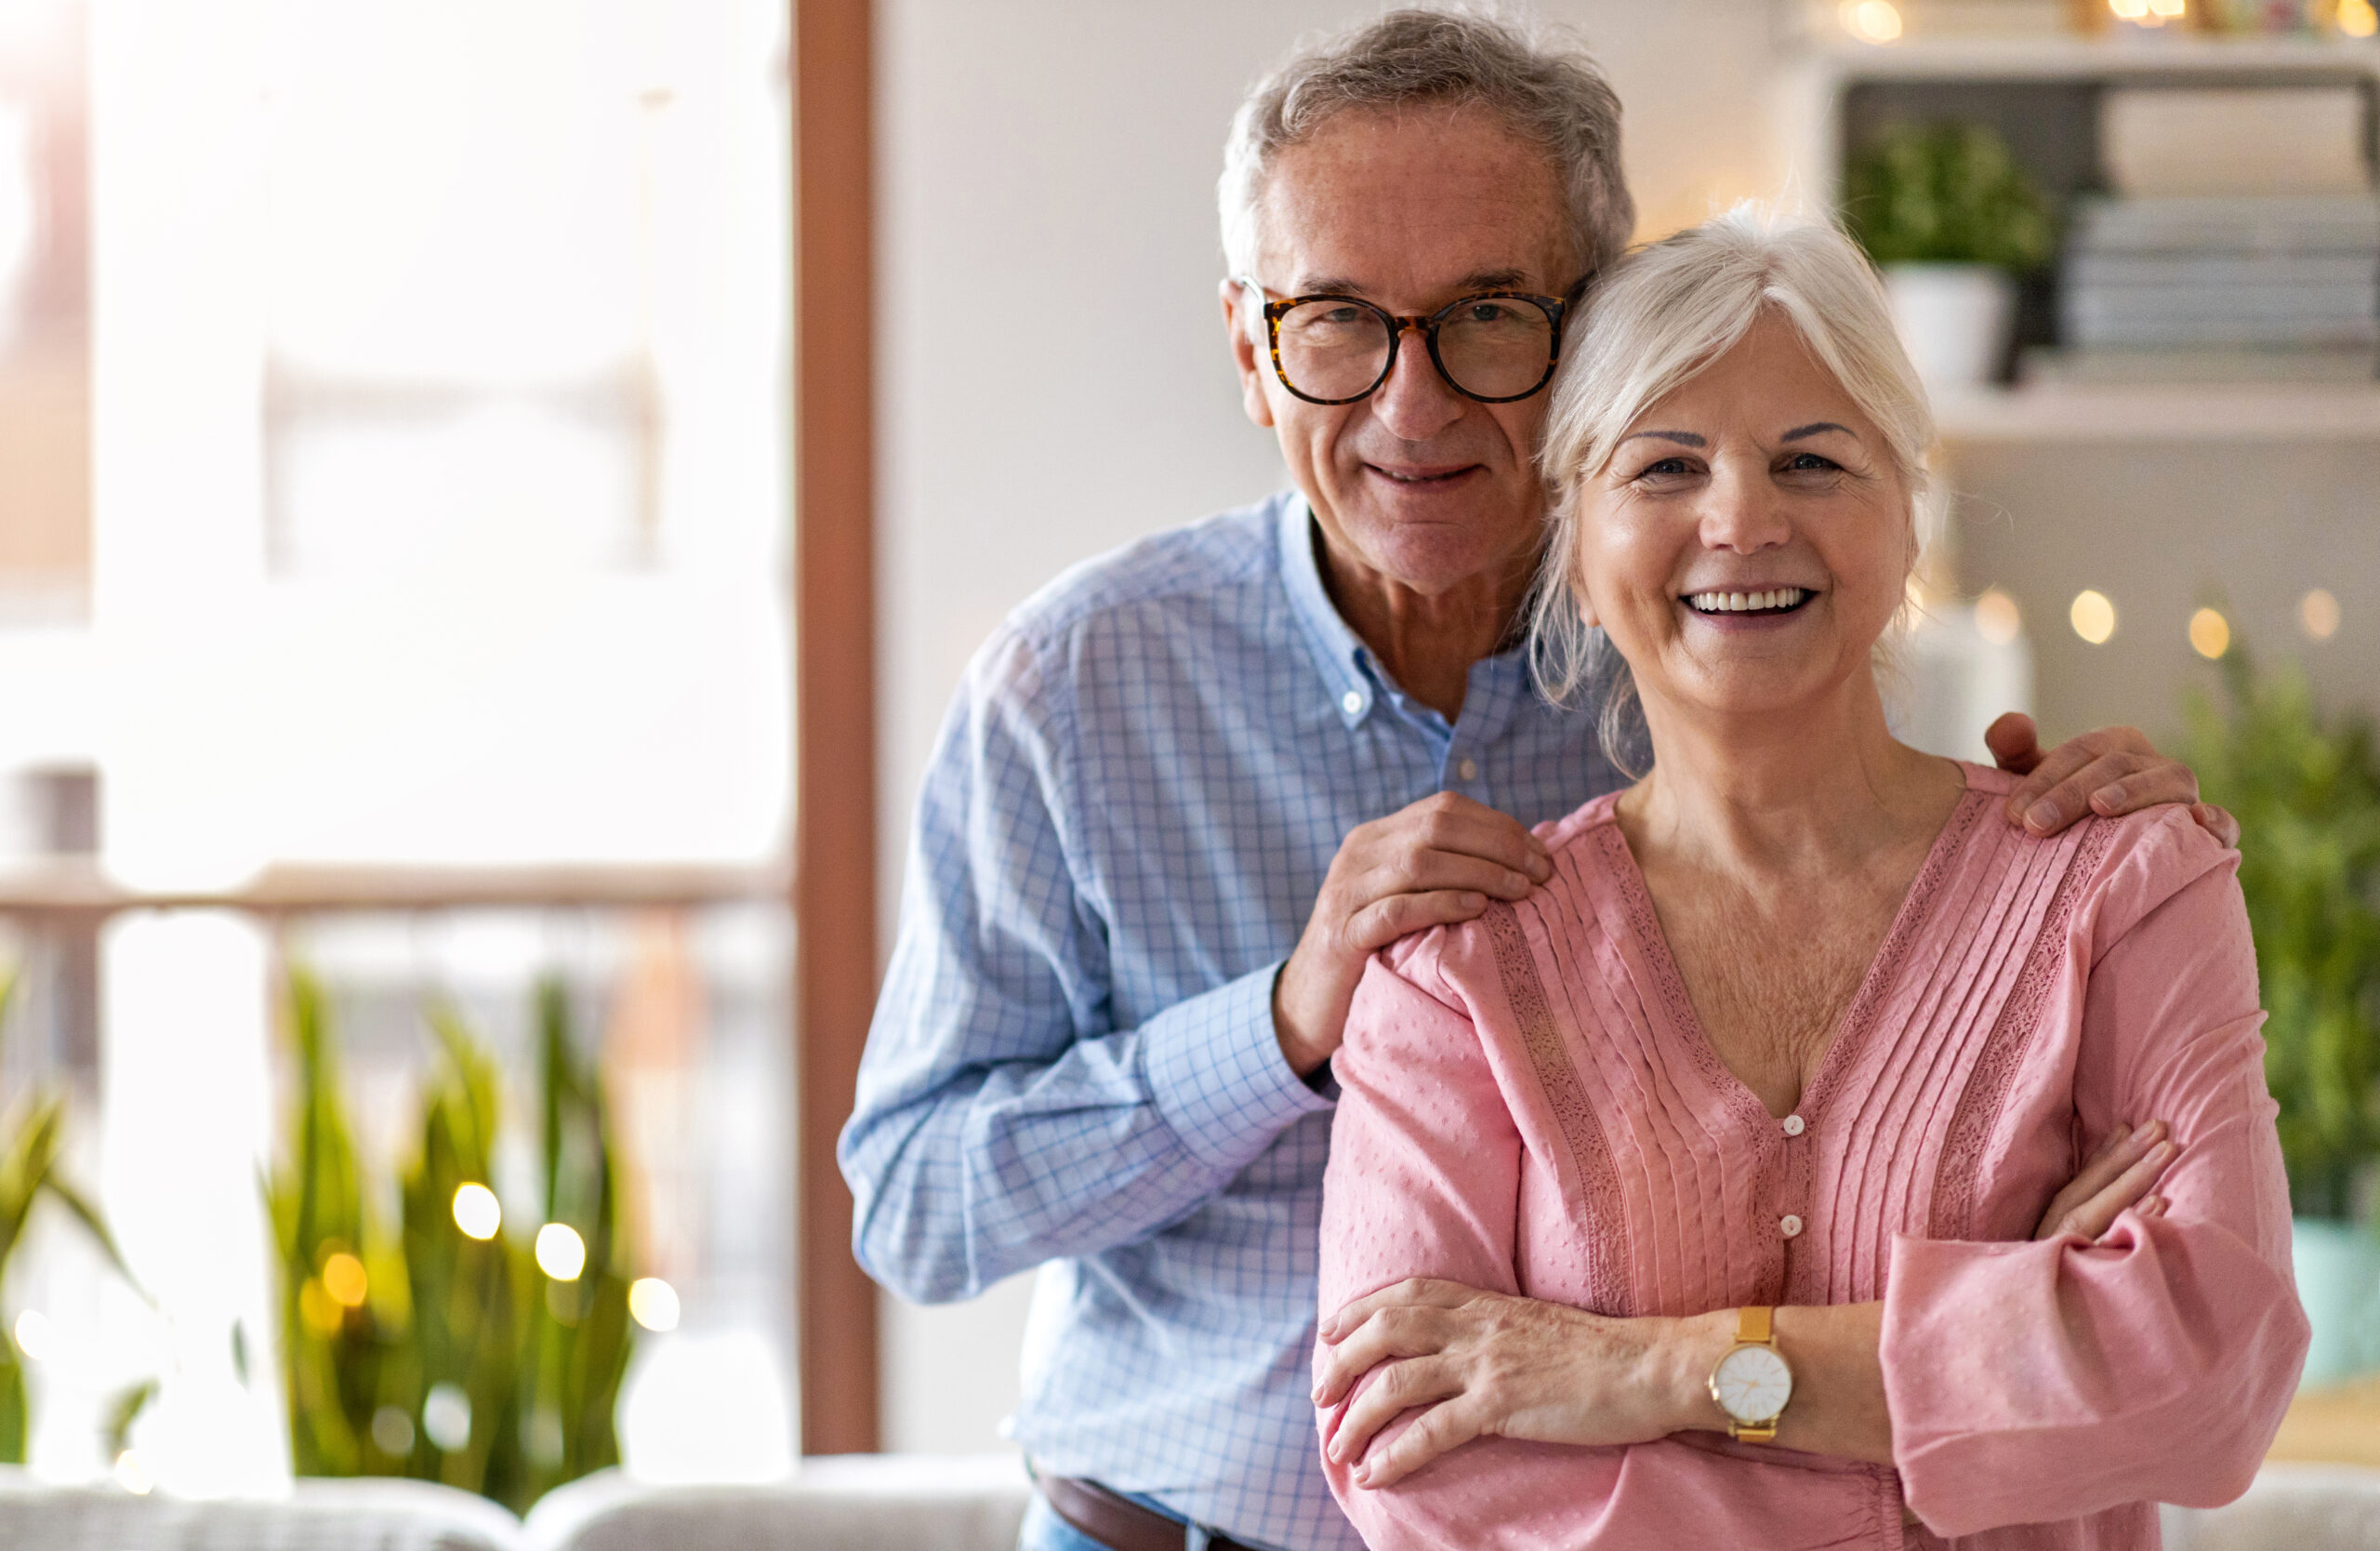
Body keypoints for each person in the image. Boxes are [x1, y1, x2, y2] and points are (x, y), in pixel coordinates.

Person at [841, 14, 2227, 1551]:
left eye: (1488, 315)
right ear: (1251, 348)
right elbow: (916, 1206)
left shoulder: (1725, 647)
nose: (1411, 404)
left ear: (1592, 340)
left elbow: (2167, 1325)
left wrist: (2081, 880)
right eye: (1334, 322)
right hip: (1169, 1527)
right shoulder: (1077, 689)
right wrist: (1284, 1023)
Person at [1312, 210, 2307, 1550]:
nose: (1741, 518)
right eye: (1666, 466)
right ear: (1578, 547)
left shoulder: (2125, 885)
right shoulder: (1453, 967)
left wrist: (1644, 1375)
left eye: (1811, 460)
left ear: (1906, 520)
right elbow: (1407, 1458)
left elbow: (2212, 1383)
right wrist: (1987, 1364)